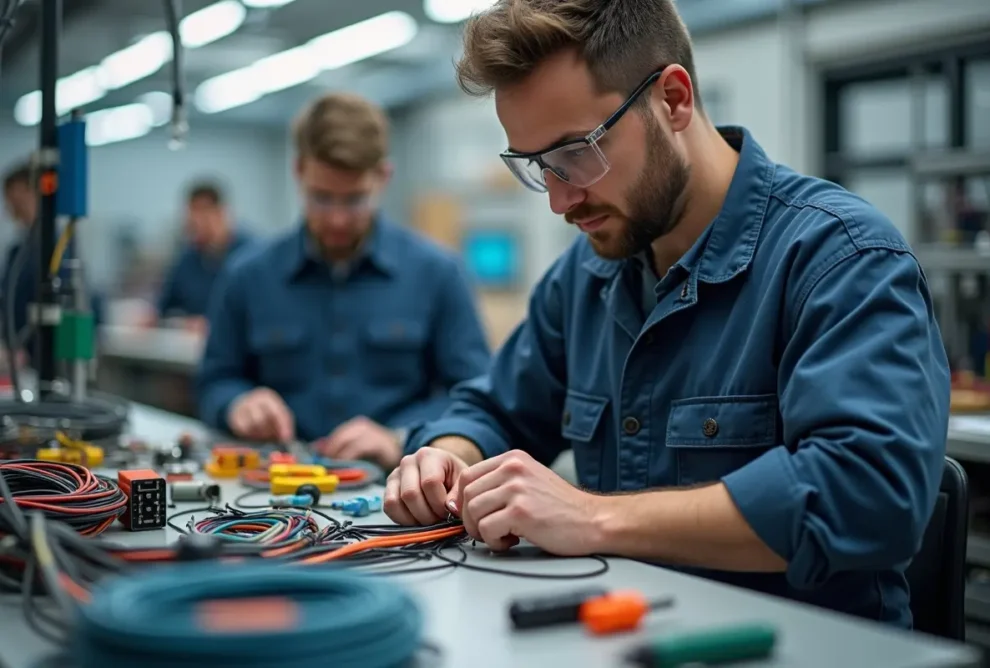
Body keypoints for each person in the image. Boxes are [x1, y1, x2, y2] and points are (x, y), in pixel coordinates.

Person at [385, 0, 949, 628]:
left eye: (576, 152)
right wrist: (446, 456)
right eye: (538, 167)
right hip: (626, 631)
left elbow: (867, 495)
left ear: (673, 100)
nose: (561, 200)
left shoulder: (841, 257)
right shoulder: (587, 276)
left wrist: (590, 517)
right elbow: (493, 406)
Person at [196, 92, 492, 470]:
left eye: (354, 200)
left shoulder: (438, 273)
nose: (336, 219)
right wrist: (236, 403)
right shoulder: (247, 276)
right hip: (274, 486)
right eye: (321, 198)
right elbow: (213, 381)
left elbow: (474, 395)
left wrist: (401, 437)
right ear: (299, 171)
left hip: (396, 485)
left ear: (383, 177)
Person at [2, 162, 103, 359]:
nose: (10, 206)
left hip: (49, 354)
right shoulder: (17, 251)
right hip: (20, 354)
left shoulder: (59, 247)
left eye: (14, 196)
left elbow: (76, 302)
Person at [156, 181, 253, 330]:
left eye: (204, 215)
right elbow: (164, 308)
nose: (197, 223)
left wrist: (213, 323)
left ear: (222, 213)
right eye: (192, 217)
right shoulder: (188, 259)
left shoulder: (251, 255)